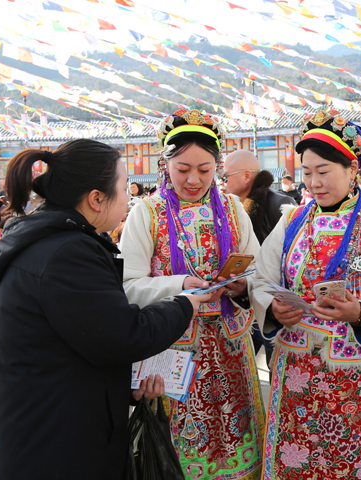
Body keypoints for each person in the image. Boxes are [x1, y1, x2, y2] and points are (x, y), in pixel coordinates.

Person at [0, 139, 210, 480]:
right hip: (58, 447)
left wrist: (125, 390)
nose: (128, 199)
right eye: (122, 189)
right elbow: (123, 335)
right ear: (95, 199)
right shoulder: (67, 254)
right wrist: (183, 305)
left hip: (56, 423)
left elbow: (81, 341)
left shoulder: (56, 241)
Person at [250, 108, 361, 479]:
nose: (313, 182)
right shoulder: (292, 219)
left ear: (352, 170)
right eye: (307, 172)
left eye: (324, 171)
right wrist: (272, 309)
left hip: (356, 379)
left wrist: (360, 313)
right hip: (294, 372)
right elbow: (261, 281)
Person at [119, 109, 265, 480]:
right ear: (165, 164)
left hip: (232, 351)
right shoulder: (146, 213)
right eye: (183, 169)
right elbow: (127, 286)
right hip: (172, 352)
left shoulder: (233, 209)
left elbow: (259, 271)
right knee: (177, 454)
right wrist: (179, 284)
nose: (194, 179)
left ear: (218, 165)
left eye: (205, 169)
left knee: (238, 442)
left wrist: (242, 286)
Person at [219, 149, 296, 368]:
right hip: (243, 298)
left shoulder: (281, 204)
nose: (220, 182)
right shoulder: (228, 208)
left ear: (246, 177)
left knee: (275, 365)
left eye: (225, 176)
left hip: (273, 301)